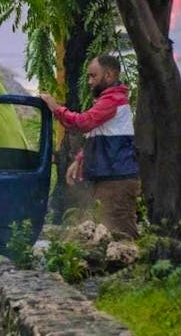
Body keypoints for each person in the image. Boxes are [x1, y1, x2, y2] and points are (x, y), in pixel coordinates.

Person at [40, 54, 139, 239]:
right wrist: (79, 160)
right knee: (102, 232)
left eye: (93, 76)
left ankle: (136, 266)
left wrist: (55, 108)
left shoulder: (113, 100)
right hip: (108, 177)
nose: (89, 81)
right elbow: (99, 134)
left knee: (121, 234)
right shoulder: (108, 100)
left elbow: (83, 123)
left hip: (116, 180)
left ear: (109, 75)